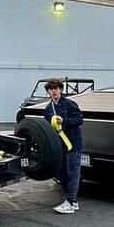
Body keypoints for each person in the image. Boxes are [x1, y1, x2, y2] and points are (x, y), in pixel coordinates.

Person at [43, 78, 84, 214]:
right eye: (51, 89)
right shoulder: (48, 108)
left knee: (73, 173)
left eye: (56, 89)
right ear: (48, 92)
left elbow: (79, 120)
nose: (54, 91)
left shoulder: (70, 104)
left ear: (60, 90)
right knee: (62, 174)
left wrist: (64, 120)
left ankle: (70, 201)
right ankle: (72, 201)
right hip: (59, 146)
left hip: (72, 144)